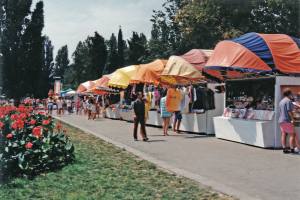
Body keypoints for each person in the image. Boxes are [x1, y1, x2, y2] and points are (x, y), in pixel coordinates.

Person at [279, 89, 296, 154]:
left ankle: (284, 148)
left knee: (284, 134)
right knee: (292, 134)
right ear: (289, 94)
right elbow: (289, 111)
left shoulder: (281, 101)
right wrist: (292, 119)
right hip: (287, 120)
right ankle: (292, 149)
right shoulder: (288, 101)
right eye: (291, 93)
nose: (292, 95)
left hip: (281, 120)